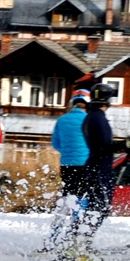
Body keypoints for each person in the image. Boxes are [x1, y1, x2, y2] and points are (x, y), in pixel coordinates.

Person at [77, 82, 130, 250]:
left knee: (96, 207)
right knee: (99, 208)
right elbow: (103, 147)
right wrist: (126, 144)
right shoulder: (98, 118)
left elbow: (103, 145)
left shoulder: (92, 116)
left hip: (97, 167)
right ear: (107, 100)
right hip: (99, 169)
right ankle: (80, 244)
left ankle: (81, 243)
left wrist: (125, 145)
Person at [43, 89, 91, 251]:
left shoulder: (62, 120)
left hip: (66, 165)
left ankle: (53, 237)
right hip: (84, 165)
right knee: (81, 200)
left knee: (66, 199)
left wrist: (68, 152)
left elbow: (55, 143)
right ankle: (74, 237)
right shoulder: (88, 119)